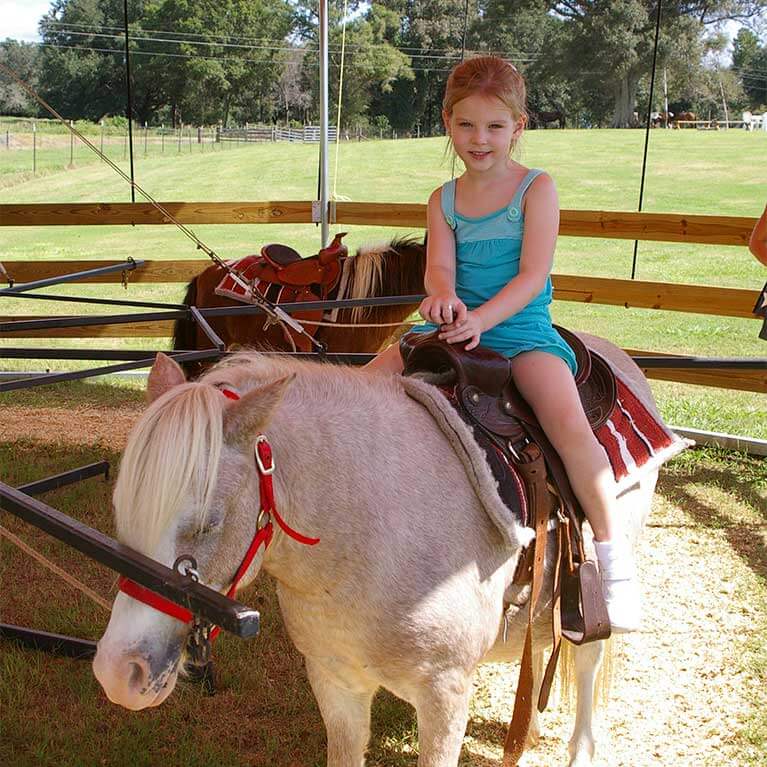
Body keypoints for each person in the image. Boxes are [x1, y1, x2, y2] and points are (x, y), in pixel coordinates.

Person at [366, 55, 639, 632]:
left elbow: (531, 277)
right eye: (467, 125)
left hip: (520, 330)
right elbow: (439, 270)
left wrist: (481, 320)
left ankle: (615, 564)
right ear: (447, 123)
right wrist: (443, 300)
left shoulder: (536, 189)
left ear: (519, 126)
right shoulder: (443, 199)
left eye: (494, 126)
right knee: (365, 383)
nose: (479, 139)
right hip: (457, 325)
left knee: (564, 421)